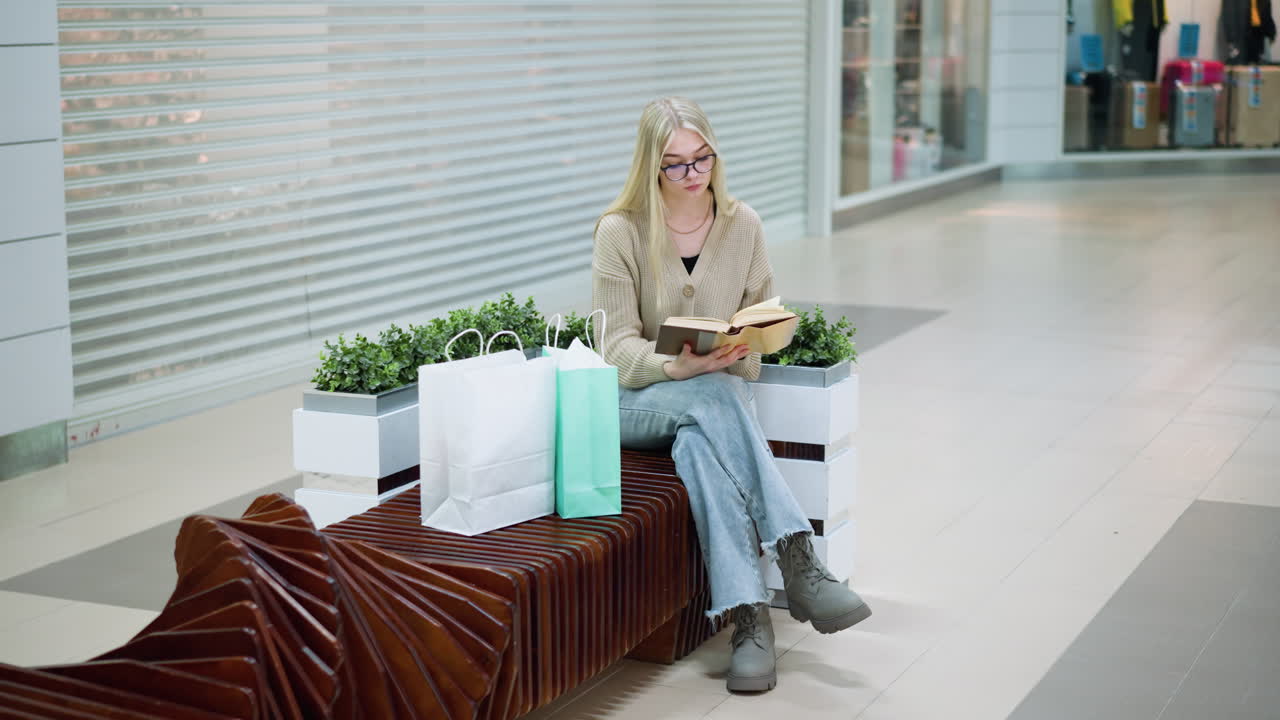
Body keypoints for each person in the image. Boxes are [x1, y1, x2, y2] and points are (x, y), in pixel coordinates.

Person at [590, 97, 872, 693]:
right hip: (641, 401)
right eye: (675, 165)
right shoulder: (621, 232)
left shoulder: (743, 224)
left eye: (703, 159)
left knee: (703, 444)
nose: (694, 176)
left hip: (713, 402)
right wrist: (676, 368)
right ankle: (798, 561)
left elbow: (764, 322)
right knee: (709, 399)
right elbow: (614, 349)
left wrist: (746, 345)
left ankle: (749, 621)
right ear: (650, 166)